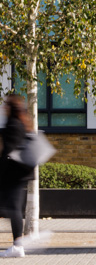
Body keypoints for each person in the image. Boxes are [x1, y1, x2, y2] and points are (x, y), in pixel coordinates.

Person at [0, 95, 35, 258]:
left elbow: (8, 153)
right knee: (13, 209)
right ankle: (18, 245)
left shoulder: (13, 125)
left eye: (6, 105)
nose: (3, 108)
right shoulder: (21, 124)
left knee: (12, 209)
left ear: (11, 108)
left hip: (12, 175)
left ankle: (18, 246)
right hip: (18, 175)